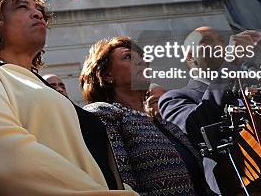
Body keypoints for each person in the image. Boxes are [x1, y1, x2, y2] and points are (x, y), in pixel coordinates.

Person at [0, 0, 137, 196]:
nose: (38, 14)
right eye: (22, 7)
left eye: (39, 9)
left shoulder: (43, 87)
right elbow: (5, 160)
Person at [80, 36, 210, 196]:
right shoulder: (105, 114)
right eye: (128, 57)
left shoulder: (167, 125)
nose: (142, 62)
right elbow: (121, 184)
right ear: (106, 75)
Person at [158, 27, 261, 195]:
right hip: (233, 185)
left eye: (221, 39)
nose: (219, 45)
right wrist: (231, 63)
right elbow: (197, 127)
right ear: (191, 57)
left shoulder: (247, 83)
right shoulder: (173, 99)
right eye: (207, 41)